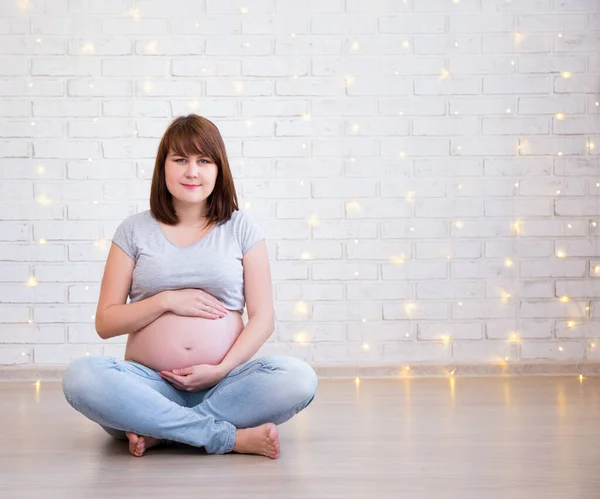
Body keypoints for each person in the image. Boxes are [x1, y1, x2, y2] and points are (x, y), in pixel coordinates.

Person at [62, 114, 318, 459]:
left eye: (203, 160)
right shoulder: (133, 231)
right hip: (148, 389)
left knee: (298, 378)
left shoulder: (241, 228)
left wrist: (220, 370)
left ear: (218, 169)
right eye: (180, 159)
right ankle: (222, 436)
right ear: (163, 167)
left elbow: (263, 319)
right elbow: (105, 323)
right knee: (81, 377)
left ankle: (162, 431)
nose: (192, 172)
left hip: (226, 388)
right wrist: (166, 301)